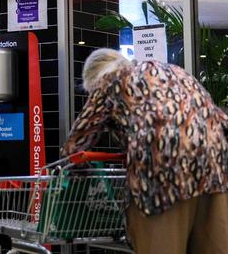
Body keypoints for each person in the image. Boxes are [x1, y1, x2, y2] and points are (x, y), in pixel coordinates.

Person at [62, 48, 228, 254]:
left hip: (162, 168)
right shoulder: (174, 71)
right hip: (214, 164)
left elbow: (74, 146)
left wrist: (81, 180)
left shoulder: (109, 80)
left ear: (93, 79)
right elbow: (222, 121)